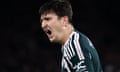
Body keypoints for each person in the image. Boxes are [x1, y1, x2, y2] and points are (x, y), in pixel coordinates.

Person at [38, 0, 103, 72]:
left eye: (47, 19)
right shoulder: (71, 44)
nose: (43, 25)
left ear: (64, 21)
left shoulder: (75, 45)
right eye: (41, 21)